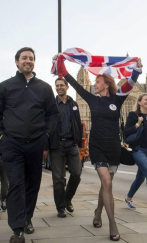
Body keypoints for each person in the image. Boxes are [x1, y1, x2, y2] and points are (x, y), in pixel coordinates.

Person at [54, 55, 142, 241]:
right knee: (107, 183)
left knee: (106, 184)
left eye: (98, 81)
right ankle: (113, 223)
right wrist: (62, 66)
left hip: (113, 147)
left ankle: (98, 212)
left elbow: (131, 84)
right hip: (97, 146)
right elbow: (75, 84)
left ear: (106, 85)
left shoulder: (117, 100)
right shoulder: (92, 100)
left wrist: (136, 70)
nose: (94, 84)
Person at [0, 47, 59, 243]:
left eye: (31, 58)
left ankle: (27, 217)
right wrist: (1, 135)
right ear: (17, 62)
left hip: (36, 143)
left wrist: (46, 135)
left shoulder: (45, 88)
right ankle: (17, 228)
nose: (27, 61)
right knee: (16, 185)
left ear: (34, 62)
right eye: (24, 58)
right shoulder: (5, 87)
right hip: (12, 144)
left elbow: (53, 114)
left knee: (32, 185)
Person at [46, 78, 83, 218]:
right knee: (58, 179)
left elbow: (78, 124)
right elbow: (46, 125)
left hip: (72, 144)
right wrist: (46, 146)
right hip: (57, 145)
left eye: (62, 85)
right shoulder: (51, 105)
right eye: (57, 86)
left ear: (67, 87)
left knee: (77, 174)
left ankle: (67, 198)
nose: (59, 87)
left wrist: (79, 143)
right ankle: (60, 207)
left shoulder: (73, 104)